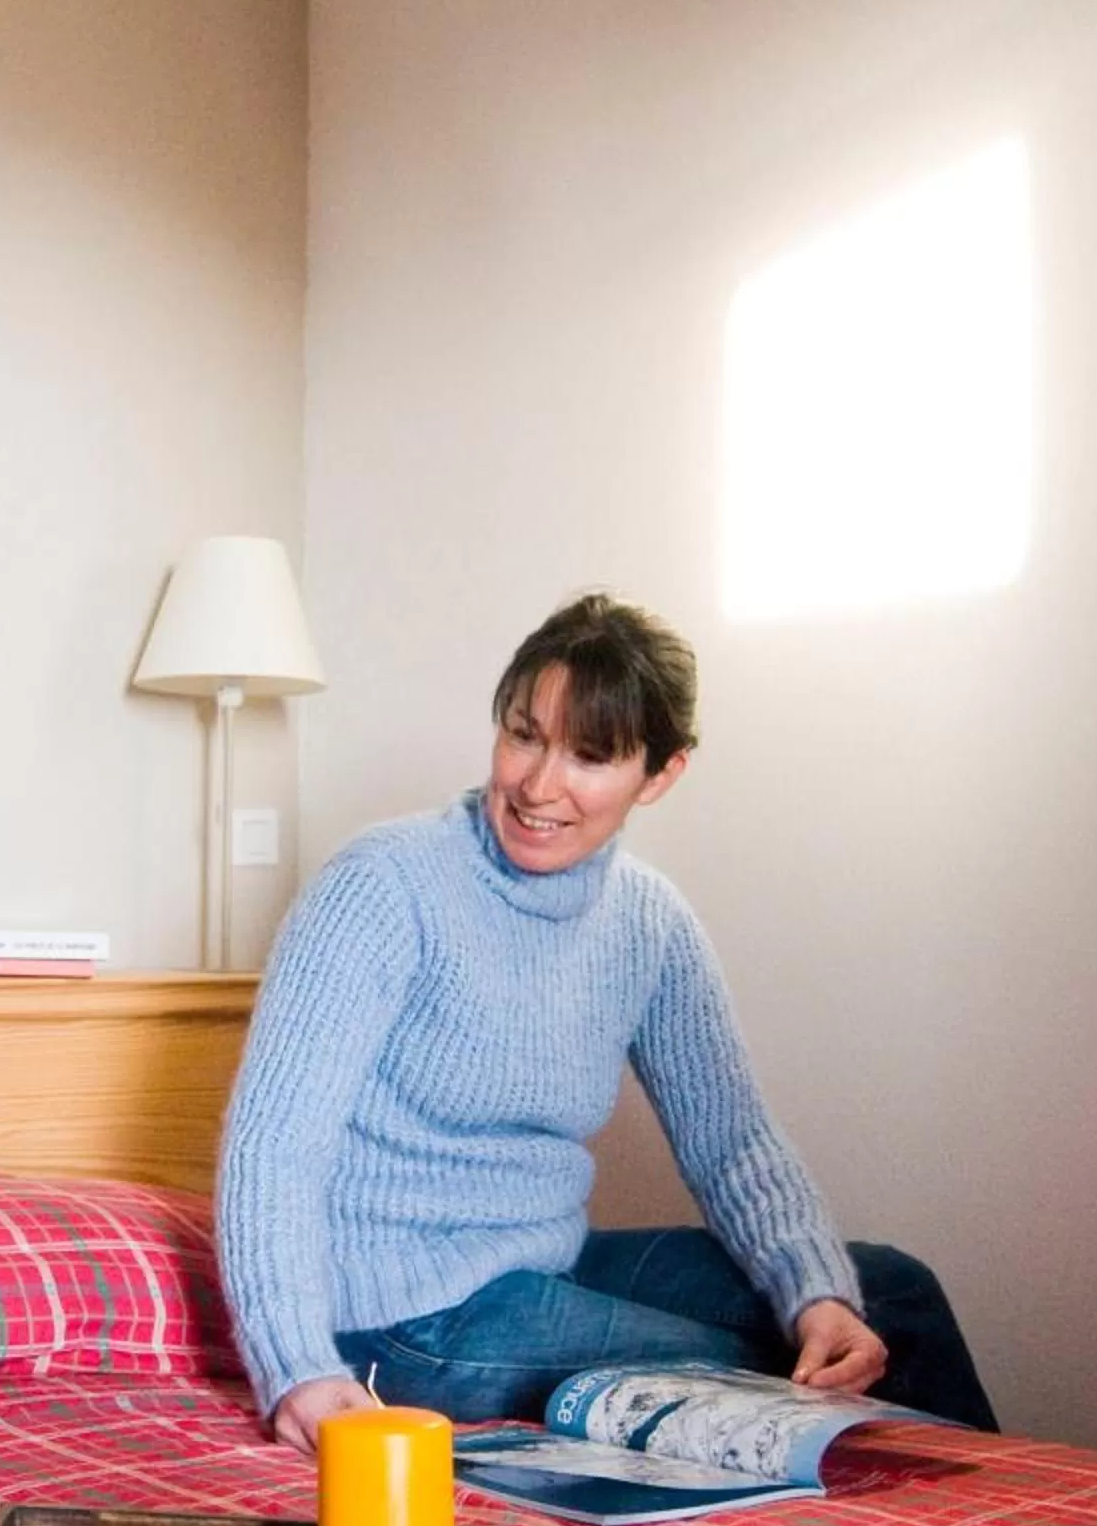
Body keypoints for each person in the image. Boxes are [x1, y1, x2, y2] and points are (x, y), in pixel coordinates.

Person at [218, 593, 997, 1455]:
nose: (540, 786)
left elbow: (732, 1142)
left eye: (589, 756)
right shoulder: (382, 886)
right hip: (401, 1311)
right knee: (748, 1367)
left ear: (660, 775)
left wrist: (816, 1293)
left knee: (886, 1298)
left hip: (546, 1265)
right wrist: (296, 1365)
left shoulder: (649, 923)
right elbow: (273, 1142)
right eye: (524, 735)